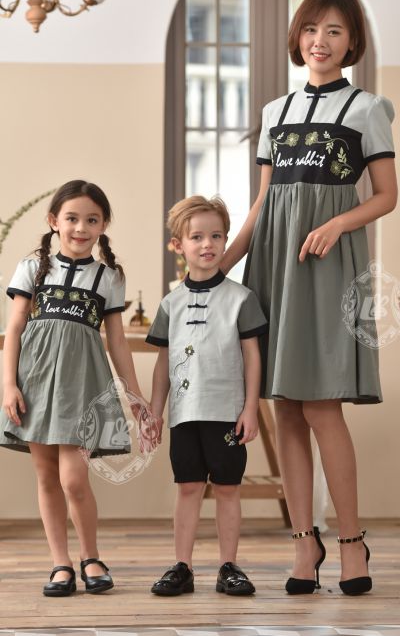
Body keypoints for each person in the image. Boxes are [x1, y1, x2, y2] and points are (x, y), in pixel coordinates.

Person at [221, 0, 397, 596]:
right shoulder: (275, 111)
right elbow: (264, 203)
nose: (320, 41)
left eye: (335, 31)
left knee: (322, 406)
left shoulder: (367, 109)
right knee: (286, 406)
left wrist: (338, 223)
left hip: (326, 263)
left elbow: (386, 195)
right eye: (312, 30)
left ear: (352, 43)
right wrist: (221, 267)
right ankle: (304, 543)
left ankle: (350, 542)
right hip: (274, 261)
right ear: (298, 37)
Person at [0, 180, 155, 597]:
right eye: (71, 218)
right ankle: (61, 564)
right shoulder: (32, 267)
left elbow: (117, 341)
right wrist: (9, 384)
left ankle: (91, 556)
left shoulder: (108, 277)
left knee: (73, 479)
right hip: (35, 382)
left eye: (92, 219)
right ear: (54, 221)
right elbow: (14, 329)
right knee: (46, 476)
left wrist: (134, 397)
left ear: (103, 225)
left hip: (82, 386)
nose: (81, 227)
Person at [147, 196, 267, 596]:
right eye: (196, 236)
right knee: (188, 487)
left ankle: (228, 566)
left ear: (225, 240)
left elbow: (252, 357)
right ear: (178, 245)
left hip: (228, 412)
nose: (207, 244)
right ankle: (181, 566)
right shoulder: (170, 304)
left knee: (228, 487)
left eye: (216, 236)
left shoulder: (241, 299)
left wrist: (250, 408)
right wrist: (155, 412)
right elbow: (163, 363)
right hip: (184, 414)